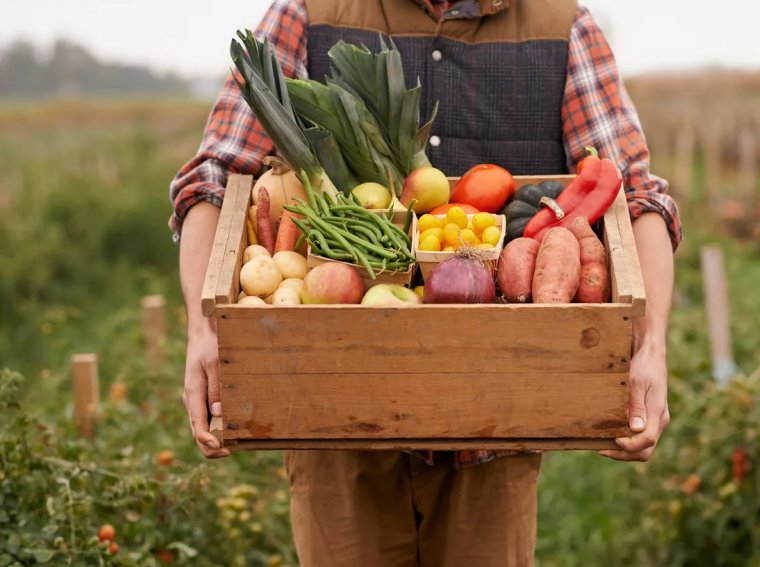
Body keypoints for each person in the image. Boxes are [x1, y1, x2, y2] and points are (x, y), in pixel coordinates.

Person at [169, 0, 681, 564]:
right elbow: (215, 179)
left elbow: (637, 199)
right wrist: (203, 329)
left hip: (498, 425)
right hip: (336, 422)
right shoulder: (307, 13)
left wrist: (649, 345)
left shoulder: (561, 24)